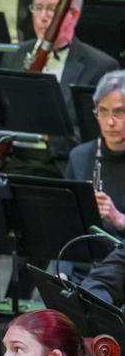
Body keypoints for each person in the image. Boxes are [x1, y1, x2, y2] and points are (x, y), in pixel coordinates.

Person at [0, 0, 119, 173]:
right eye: (38, 8)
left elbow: (95, 135)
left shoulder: (100, 66)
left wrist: (44, 127)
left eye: (52, 10)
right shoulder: (15, 55)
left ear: (74, 15)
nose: (43, 17)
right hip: (12, 162)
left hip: (62, 168)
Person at [64, 70, 125, 235]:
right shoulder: (80, 157)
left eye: (119, 112)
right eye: (103, 111)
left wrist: (120, 219)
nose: (110, 122)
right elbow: (67, 218)